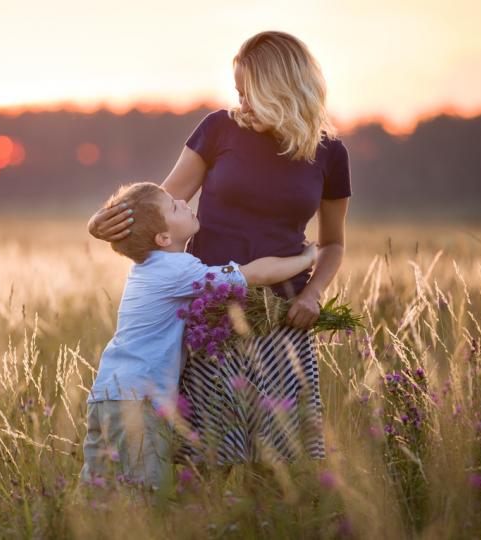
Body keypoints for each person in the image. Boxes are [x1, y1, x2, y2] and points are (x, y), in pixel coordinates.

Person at [88, 31, 351, 465]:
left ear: (282, 89)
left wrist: (313, 293)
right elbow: (160, 206)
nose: (241, 102)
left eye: (250, 92)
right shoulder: (219, 129)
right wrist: (103, 222)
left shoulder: (329, 153)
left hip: (283, 320)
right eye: (238, 91)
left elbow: (334, 243)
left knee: (283, 459)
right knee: (206, 457)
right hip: (211, 318)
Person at [80, 181, 317, 491]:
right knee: (146, 495)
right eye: (173, 206)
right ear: (163, 237)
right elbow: (255, 273)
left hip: (108, 394)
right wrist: (308, 258)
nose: (182, 200)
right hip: (139, 400)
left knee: (100, 491)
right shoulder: (177, 269)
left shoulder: (148, 268)